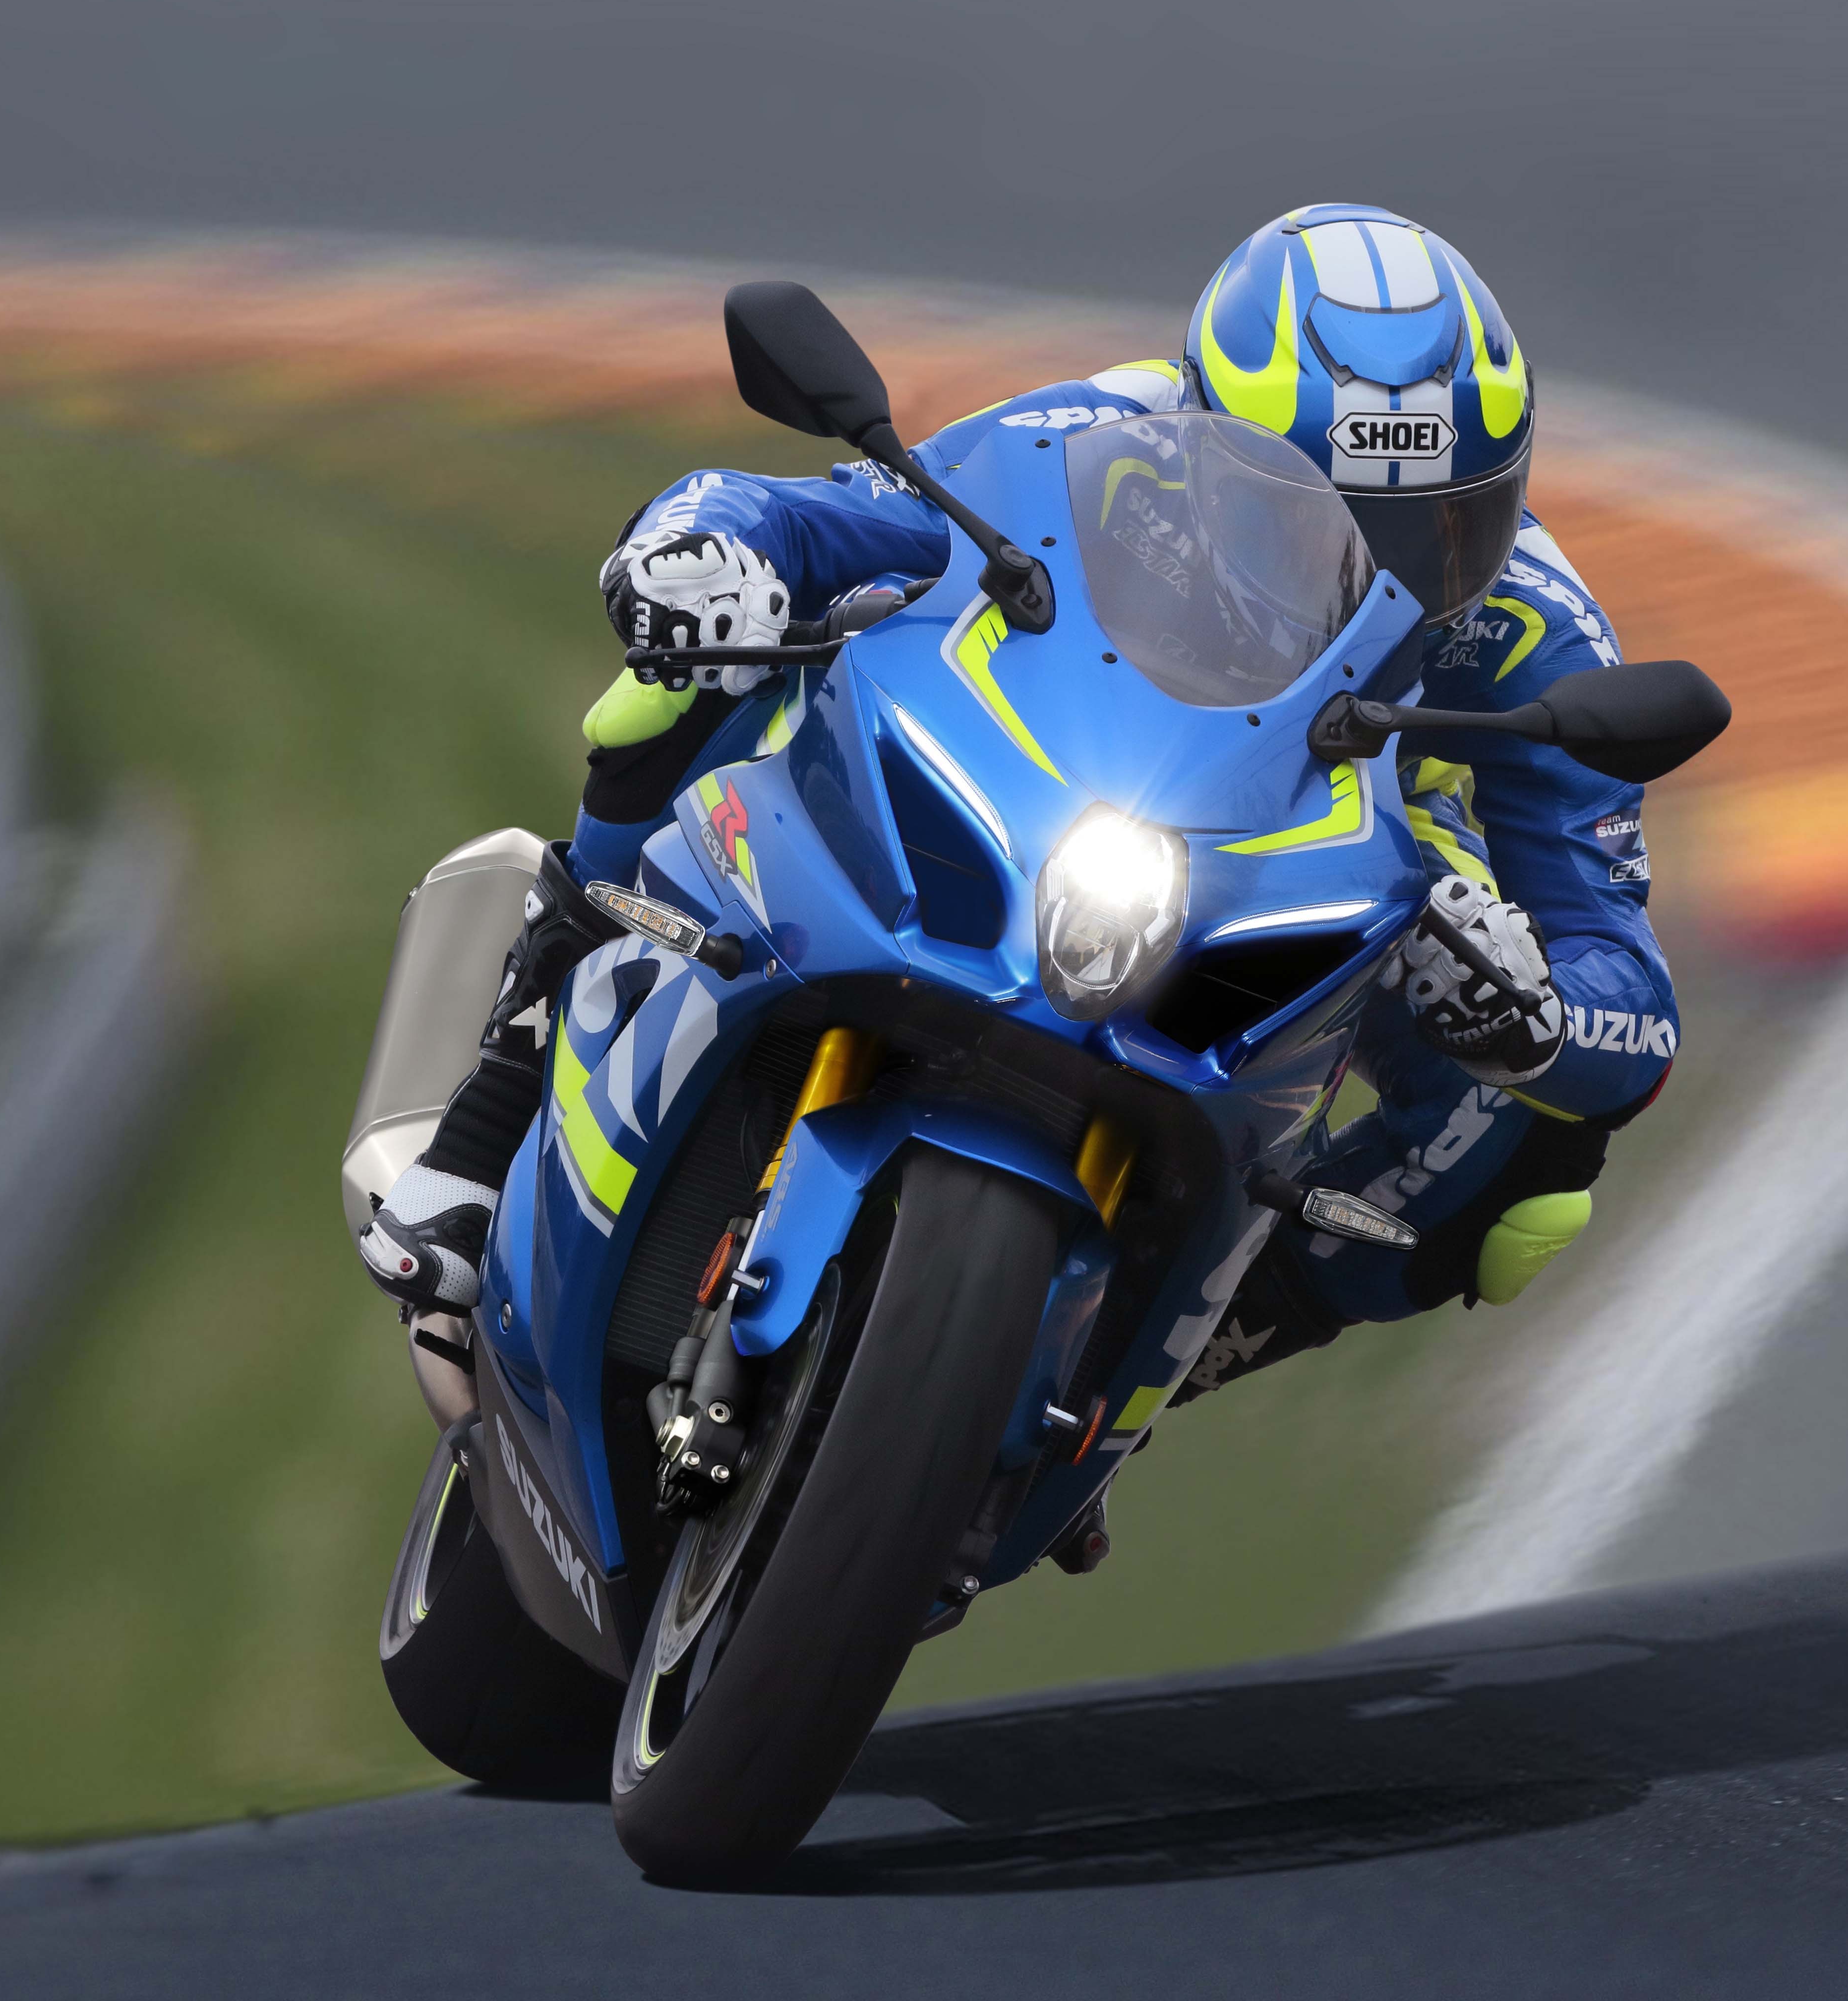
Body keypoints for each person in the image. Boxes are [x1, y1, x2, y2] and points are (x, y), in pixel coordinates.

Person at [357, 204, 1680, 1417]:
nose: (1387, 571)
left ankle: (1179, 1347)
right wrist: (696, 549)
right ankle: (500, 1100)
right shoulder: (1099, 438)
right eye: (1325, 522)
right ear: (1213, 434)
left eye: (1444, 529)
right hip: (1079, 770)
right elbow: (827, 517)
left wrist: (1536, 1016)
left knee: (1539, 1170)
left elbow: (1624, 981)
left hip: (1339, 864)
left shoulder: (1537, 632)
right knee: (696, 674)